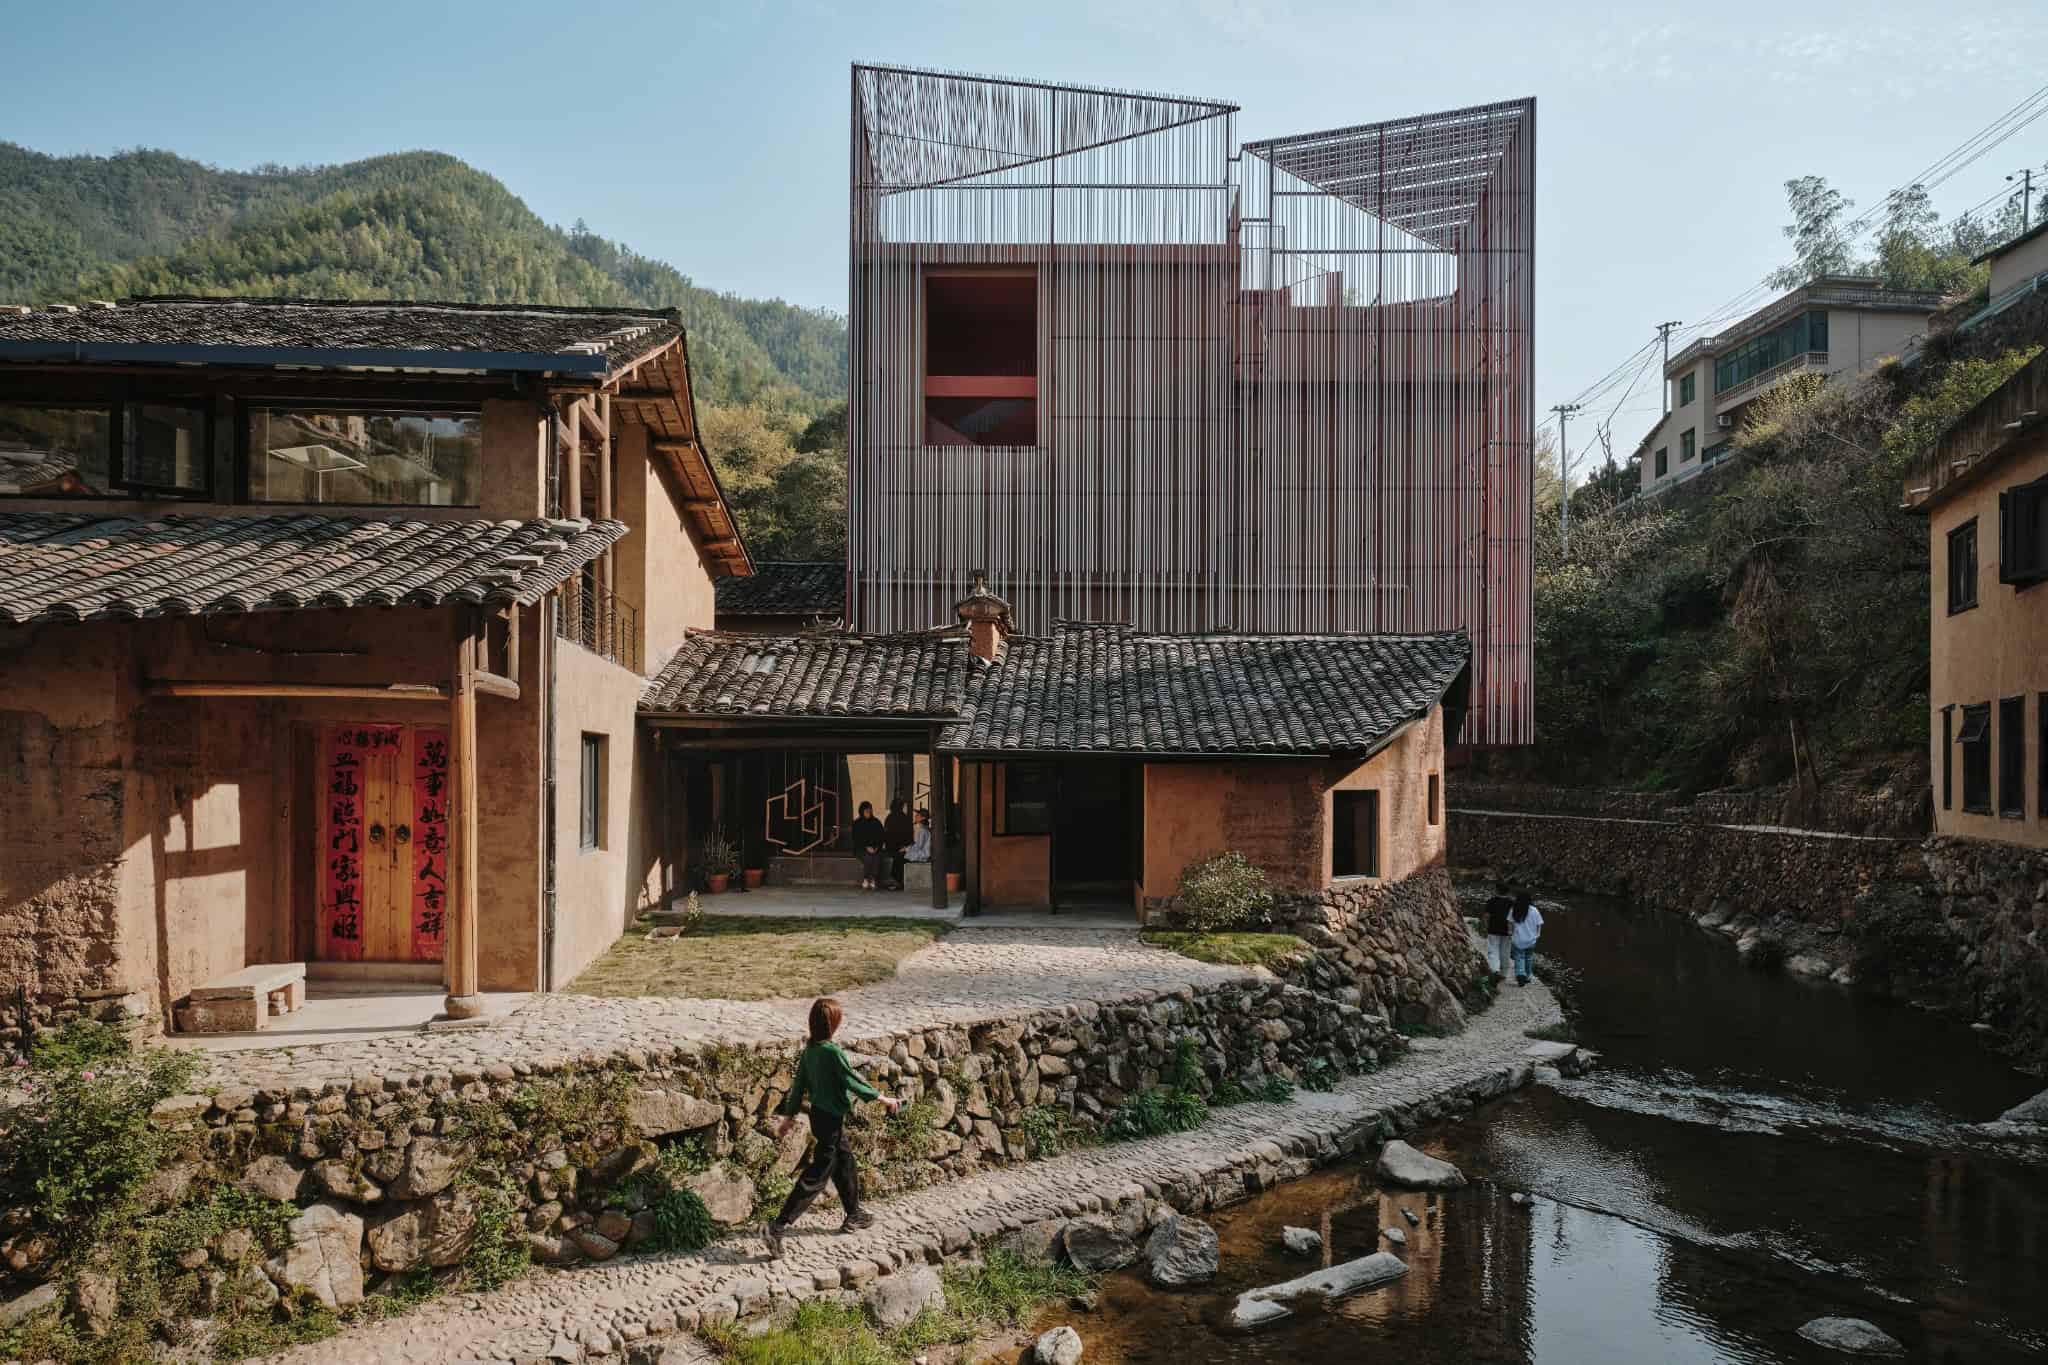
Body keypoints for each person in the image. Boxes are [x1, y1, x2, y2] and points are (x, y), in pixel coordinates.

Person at [762, 997, 902, 1259]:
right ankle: (777, 1227)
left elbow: (798, 1085)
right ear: (833, 1024)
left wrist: (789, 1116)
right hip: (831, 1120)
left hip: (819, 1117)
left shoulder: (810, 1050)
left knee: (844, 1161)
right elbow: (852, 1080)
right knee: (818, 1174)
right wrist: (884, 1099)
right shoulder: (832, 1052)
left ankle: (854, 1213)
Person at [1509, 890, 1544, 987]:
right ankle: (1528, 976)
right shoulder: (1534, 910)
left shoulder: (1514, 909)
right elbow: (1539, 924)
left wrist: (1510, 934)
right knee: (1529, 958)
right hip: (1531, 940)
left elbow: (1510, 924)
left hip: (1518, 939)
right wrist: (1538, 934)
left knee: (1519, 958)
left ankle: (1520, 974)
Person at [850, 801, 886, 890]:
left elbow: (881, 837)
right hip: (861, 849)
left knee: (877, 856)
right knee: (868, 856)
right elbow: (856, 839)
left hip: (875, 848)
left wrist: (877, 847)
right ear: (862, 812)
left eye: (870, 811)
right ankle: (866, 878)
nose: (868, 813)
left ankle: (873, 879)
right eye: (866, 811)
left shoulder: (876, 822)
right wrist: (866, 847)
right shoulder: (857, 823)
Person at [1482, 880, 1514, 980]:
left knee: (1493, 950)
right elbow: (1514, 918)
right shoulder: (1512, 903)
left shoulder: (1491, 901)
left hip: (1493, 929)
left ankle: (1494, 970)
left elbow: (1486, 916)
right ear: (1508, 892)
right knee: (1505, 952)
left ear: (1496, 890)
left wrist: (1485, 926)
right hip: (1507, 931)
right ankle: (1504, 973)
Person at [882, 797, 914, 890]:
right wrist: (906, 846)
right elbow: (909, 836)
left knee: (898, 857)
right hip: (901, 847)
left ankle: (894, 880)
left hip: (891, 847)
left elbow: (886, 835)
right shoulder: (905, 818)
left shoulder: (889, 818)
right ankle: (897, 880)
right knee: (900, 857)